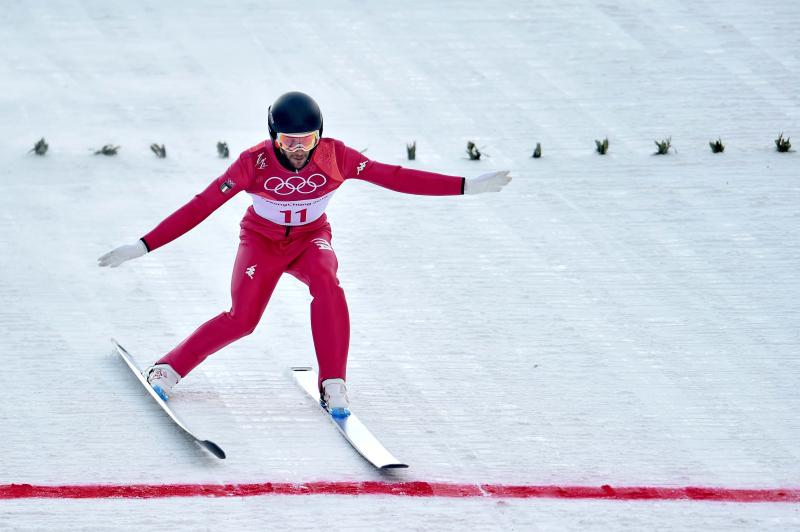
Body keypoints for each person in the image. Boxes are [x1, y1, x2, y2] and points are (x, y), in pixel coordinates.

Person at [98, 91, 511, 418]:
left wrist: (466, 186)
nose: (298, 150)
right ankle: (168, 368)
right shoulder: (251, 163)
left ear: (320, 135)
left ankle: (334, 383)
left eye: (307, 140)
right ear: (273, 136)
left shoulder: (337, 156)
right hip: (261, 241)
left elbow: (395, 177)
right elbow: (201, 205)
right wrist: (143, 244)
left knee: (328, 285)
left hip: (311, 239)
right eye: (288, 141)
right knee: (243, 320)